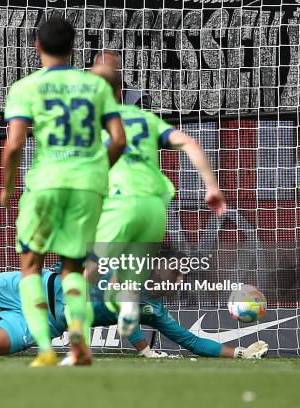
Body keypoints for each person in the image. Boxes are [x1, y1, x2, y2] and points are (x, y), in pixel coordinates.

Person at [0, 18, 126, 366]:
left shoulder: (25, 87)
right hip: (88, 185)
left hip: (46, 183)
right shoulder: (96, 86)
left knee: (30, 265)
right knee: (73, 267)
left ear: (37, 46)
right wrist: (97, 171)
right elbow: (118, 139)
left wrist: (7, 186)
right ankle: (78, 343)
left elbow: (13, 146)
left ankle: (44, 348)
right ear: (74, 48)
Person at [86, 63, 226, 338]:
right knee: (125, 282)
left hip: (120, 204)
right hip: (155, 208)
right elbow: (190, 143)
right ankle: (126, 307)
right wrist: (211, 187)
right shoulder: (146, 119)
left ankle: (73, 341)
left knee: (85, 276)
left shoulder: (90, 123)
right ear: (120, 91)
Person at [0, 268, 268, 360]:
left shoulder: (151, 310)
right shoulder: (116, 267)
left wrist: (241, 353)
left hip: (45, 321)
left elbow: (191, 341)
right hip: (34, 284)